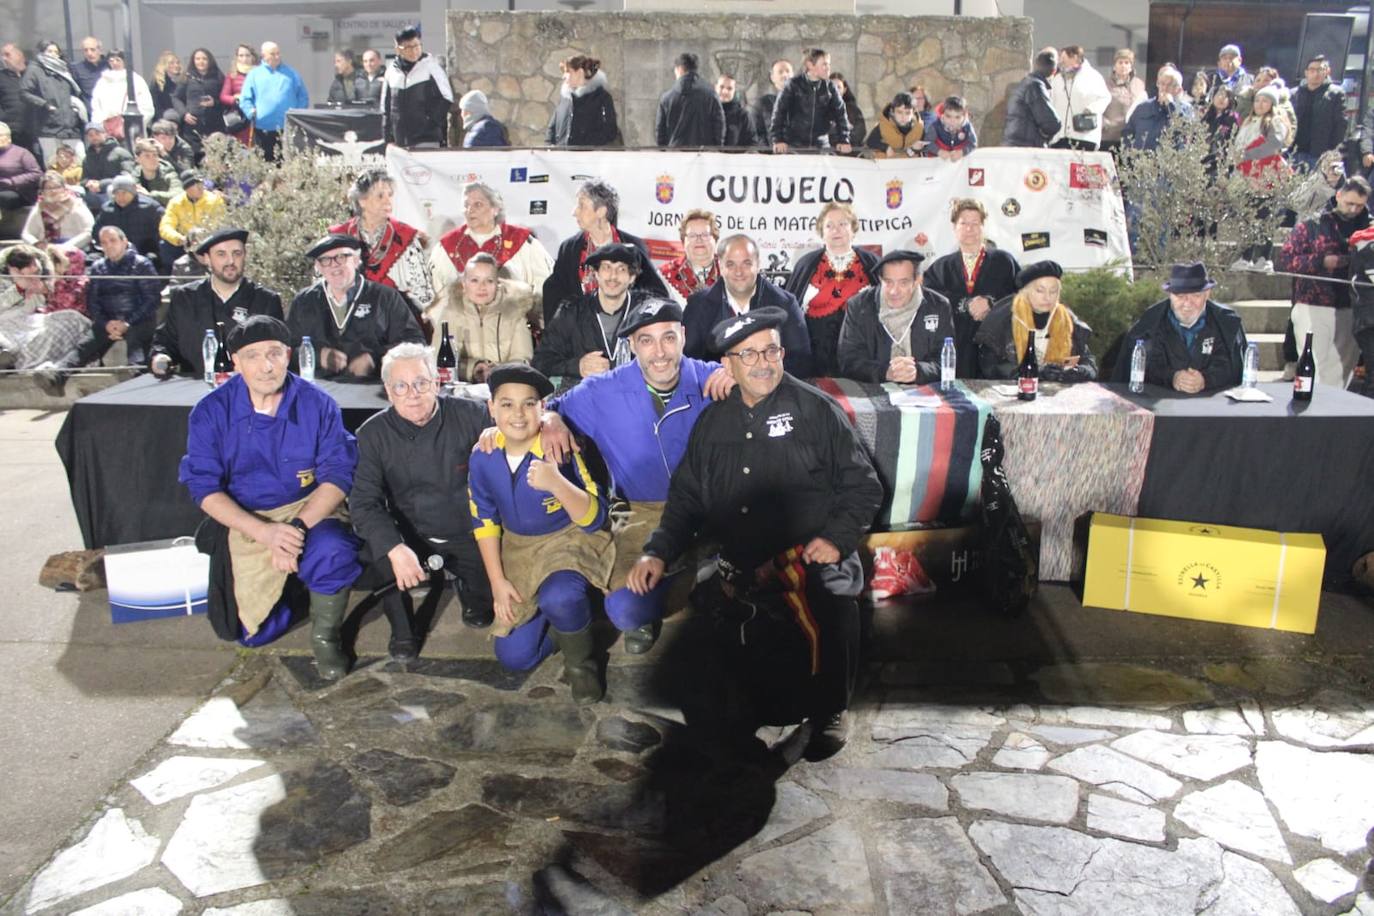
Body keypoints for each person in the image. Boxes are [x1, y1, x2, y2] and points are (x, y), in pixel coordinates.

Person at [630, 307, 883, 759]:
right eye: (748, 354)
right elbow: (685, 498)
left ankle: (828, 709)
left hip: (806, 556)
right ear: (728, 365)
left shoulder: (816, 410)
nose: (763, 362)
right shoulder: (712, 422)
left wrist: (837, 539)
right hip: (738, 562)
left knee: (835, 592)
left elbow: (863, 486)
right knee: (713, 671)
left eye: (771, 350)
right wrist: (656, 552)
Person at [536, 298, 736, 656]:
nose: (660, 353)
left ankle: (697, 574)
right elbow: (547, 407)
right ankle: (686, 584)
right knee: (624, 609)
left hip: (705, 510)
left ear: (684, 337)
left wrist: (739, 374)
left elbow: (772, 390)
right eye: (647, 340)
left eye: (668, 338)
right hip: (637, 512)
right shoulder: (603, 390)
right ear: (632, 346)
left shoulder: (709, 378)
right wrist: (551, 420)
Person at [179, 315, 363, 677]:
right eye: (253, 355)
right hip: (248, 517)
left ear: (289, 355)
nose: (266, 366)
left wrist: (292, 531)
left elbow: (338, 475)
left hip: (307, 509)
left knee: (333, 550)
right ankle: (296, 595)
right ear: (234, 361)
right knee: (248, 635)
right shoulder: (210, 411)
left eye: (275, 354)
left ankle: (326, 637)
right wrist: (266, 533)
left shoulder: (318, 405)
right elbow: (203, 487)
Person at [469, 363, 614, 702]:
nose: (518, 414)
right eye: (506, 404)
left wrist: (557, 483)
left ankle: (582, 665)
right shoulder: (483, 456)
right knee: (515, 656)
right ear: (491, 408)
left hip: (569, 540)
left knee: (559, 597)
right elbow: (483, 520)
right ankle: (570, 625)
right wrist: (497, 583)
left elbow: (594, 519)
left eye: (529, 403)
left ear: (543, 407)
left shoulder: (562, 449)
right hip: (520, 549)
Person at [352, 343, 497, 663]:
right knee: (381, 552)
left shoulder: (473, 415)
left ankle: (471, 592)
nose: (412, 393)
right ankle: (402, 630)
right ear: (389, 391)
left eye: (421, 383)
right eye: (401, 386)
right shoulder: (372, 434)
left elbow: (522, 423)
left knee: (486, 604)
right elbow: (363, 503)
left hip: (467, 527)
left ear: (436, 383)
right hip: (411, 530)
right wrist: (394, 547)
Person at [286, 234, 425, 380]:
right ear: (318, 267)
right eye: (325, 260)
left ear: (356, 260)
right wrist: (319, 355)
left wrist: (375, 358)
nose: (334, 265)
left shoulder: (385, 297)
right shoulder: (304, 301)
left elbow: (415, 342)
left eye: (341, 257)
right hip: (319, 389)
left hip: (373, 389)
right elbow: (285, 349)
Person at [150, 227, 284, 378]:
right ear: (206, 258)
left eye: (237, 253)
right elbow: (165, 342)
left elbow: (278, 352)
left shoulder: (265, 300)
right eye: (221, 254)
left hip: (249, 390)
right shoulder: (185, 298)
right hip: (194, 389)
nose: (230, 261)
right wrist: (160, 358)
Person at [1277, 177, 1371, 387]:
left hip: (1351, 308)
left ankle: (1333, 417)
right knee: (1314, 369)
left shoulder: (1369, 229)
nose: (1354, 209)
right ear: (1338, 195)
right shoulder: (1312, 226)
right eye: (1349, 203)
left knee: (1342, 372)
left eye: (1359, 205)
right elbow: (1283, 261)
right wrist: (1321, 261)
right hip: (1313, 305)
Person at [685, 233, 812, 376]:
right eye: (731, 264)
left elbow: (801, 362)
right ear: (720, 266)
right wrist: (722, 376)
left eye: (747, 263)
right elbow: (688, 362)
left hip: (770, 391)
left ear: (758, 264)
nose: (738, 272)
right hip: (715, 392)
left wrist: (756, 379)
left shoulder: (785, 304)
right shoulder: (697, 305)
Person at [542, 178, 666, 322]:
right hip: (581, 337)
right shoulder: (570, 248)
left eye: (582, 206)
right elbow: (554, 293)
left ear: (601, 211)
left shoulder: (633, 247)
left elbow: (657, 294)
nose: (574, 212)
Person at [1112, 262, 1247, 393]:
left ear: (1207, 294)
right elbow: (1143, 366)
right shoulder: (1149, 323)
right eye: (1180, 296)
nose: (1187, 303)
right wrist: (1173, 377)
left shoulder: (1226, 323)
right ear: (1170, 295)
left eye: (1196, 295)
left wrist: (1205, 379)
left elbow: (1230, 366)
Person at [922, 199, 1021, 378]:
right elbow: (928, 301)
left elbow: (1020, 297)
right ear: (954, 227)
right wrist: (965, 304)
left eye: (975, 223)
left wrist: (992, 304)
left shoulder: (1005, 262)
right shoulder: (940, 267)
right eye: (964, 223)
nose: (969, 229)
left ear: (983, 227)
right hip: (955, 350)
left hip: (996, 351)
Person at [534, 242, 654, 381]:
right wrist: (577, 366)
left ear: (632, 277)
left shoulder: (647, 313)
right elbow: (540, 362)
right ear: (596, 273)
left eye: (621, 269)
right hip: (584, 395)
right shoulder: (572, 312)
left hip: (633, 395)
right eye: (606, 268)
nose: (612, 276)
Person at [430, 181, 553, 317]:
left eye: (478, 204)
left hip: (512, 323)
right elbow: (435, 292)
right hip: (462, 328)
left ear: (495, 209)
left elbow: (544, 283)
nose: (470, 210)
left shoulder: (521, 241)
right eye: (466, 205)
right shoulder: (448, 245)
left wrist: (529, 313)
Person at [782, 202, 876, 377]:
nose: (836, 230)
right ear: (821, 232)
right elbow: (790, 315)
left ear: (853, 229)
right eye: (829, 225)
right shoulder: (806, 265)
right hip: (814, 360)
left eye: (843, 224)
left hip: (862, 356)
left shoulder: (872, 264)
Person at [329, 168, 434, 318]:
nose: (388, 201)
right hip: (347, 321)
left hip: (394, 322)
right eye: (380, 196)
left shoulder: (406, 237)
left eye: (390, 195)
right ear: (362, 200)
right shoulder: (339, 237)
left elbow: (424, 294)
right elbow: (325, 286)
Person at [836, 250, 954, 384]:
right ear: (880, 279)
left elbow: (946, 361)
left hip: (924, 391)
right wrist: (885, 372)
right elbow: (848, 361)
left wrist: (918, 371)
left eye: (903, 283)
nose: (894, 291)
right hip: (873, 390)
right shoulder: (858, 306)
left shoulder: (938, 306)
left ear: (917, 281)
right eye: (888, 282)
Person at [975, 261, 1097, 382]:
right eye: (1040, 291)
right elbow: (991, 368)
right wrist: (1035, 373)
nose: (1047, 297)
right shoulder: (1003, 319)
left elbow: (1089, 363)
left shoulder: (1068, 321)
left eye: (1053, 291)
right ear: (1025, 292)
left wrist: (1080, 372)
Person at [427, 252, 536, 382]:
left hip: (504, 386)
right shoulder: (451, 313)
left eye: (489, 281)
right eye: (475, 280)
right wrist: (473, 369)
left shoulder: (515, 312)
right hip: (461, 390)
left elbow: (523, 360)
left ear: (497, 284)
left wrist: (496, 371)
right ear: (464, 284)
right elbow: (437, 362)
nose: (482, 287)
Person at [0, 244, 92, 372]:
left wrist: (41, 292)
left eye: (36, 270)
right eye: (30, 270)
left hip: (29, 321)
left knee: (71, 319)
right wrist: (19, 288)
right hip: (6, 325)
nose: (35, 273)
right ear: (16, 269)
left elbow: (37, 306)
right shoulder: (3, 281)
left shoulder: (40, 278)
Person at [1232, 86, 1290, 272]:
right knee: (1248, 217)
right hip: (1248, 177)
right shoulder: (1248, 122)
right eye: (1257, 100)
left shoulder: (1274, 122)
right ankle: (1246, 256)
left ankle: (1264, 257)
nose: (1260, 104)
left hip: (1266, 176)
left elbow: (1274, 144)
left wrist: (1248, 154)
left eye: (1265, 101)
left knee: (1265, 218)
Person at [85, 225, 159, 364]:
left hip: (138, 321)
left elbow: (152, 300)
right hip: (108, 322)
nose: (109, 246)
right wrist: (106, 323)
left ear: (124, 242)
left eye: (113, 240)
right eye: (104, 243)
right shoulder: (97, 267)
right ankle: (53, 377)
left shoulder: (141, 264)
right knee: (83, 347)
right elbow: (92, 302)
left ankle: (138, 379)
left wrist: (127, 322)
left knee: (137, 355)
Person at [379, 25, 452, 148]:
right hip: (399, 141)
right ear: (398, 49)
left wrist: (430, 123)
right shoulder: (391, 71)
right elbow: (386, 108)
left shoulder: (431, 67)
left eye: (416, 46)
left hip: (426, 139)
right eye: (408, 47)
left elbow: (447, 98)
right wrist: (388, 138)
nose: (414, 51)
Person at [770, 48, 851, 154]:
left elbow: (840, 114)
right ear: (810, 65)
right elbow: (779, 113)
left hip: (821, 147)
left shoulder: (830, 87)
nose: (828, 68)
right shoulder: (793, 85)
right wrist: (778, 140)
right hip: (794, 147)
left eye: (829, 64)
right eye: (824, 64)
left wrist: (844, 140)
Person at [238, 42, 309, 161]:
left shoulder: (291, 73)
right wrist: (251, 112)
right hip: (263, 128)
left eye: (278, 53)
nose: (276, 57)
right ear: (263, 55)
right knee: (265, 164)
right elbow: (245, 99)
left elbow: (303, 96)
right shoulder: (254, 74)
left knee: (288, 163)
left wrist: (297, 114)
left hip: (287, 128)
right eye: (272, 54)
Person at [21, 42, 86, 164]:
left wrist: (75, 108)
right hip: (48, 126)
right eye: (49, 51)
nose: (53, 55)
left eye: (56, 52)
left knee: (79, 161)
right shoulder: (35, 70)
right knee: (53, 164)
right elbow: (24, 92)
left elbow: (73, 92)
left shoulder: (64, 70)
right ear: (42, 53)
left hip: (70, 126)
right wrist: (44, 104)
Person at [546, 55, 619, 148]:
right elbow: (551, 128)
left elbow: (610, 131)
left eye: (568, 72)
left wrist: (585, 145)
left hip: (589, 160)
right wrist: (549, 147)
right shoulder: (565, 98)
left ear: (579, 72)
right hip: (561, 159)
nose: (564, 76)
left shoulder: (602, 98)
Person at [1291, 55, 1348, 174]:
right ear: (1306, 73)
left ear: (1327, 71)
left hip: (1320, 153)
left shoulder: (1336, 94)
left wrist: (1332, 151)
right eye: (1312, 70)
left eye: (1320, 69)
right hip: (1295, 152)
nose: (1315, 73)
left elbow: (1340, 125)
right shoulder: (1295, 93)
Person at [655, 52, 725, 148]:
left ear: (679, 69)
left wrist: (665, 152)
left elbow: (660, 133)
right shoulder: (711, 96)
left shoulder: (666, 98)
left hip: (675, 156)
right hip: (704, 156)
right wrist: (716, 150)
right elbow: (719, 127)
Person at [1049, 45, 1111, 151]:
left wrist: (1091, 109)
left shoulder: (1093, 77)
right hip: (1060, 136)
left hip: (1084, 136)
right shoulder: (1058, 79)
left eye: (1064, 59)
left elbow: (1105, 98)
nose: (1060, 62)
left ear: (1075, 57)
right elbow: (1051, 101)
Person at [158, 171, 225, 266]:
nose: (200, 187)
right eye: (195, 184)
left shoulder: (215, 200)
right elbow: (165, 226)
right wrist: (180, 239)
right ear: (187, 188)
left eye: (201, 183)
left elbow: (219, 224)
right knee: (165, 246)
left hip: (208, 241)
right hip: (185, 242)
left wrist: (203, 238)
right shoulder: (176, 203)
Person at [93, 174, 163, 263]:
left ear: (133, 192)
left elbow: (160, 234)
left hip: (143, 253)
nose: (120, 197)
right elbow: (97, 232)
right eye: (117, 193)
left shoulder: (149, 207)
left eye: (124, 193)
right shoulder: (107, 210)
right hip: (113, 253)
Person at [1123, 65, 1193, 152]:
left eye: (1170, 85)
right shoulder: (1143, 107)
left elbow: (1186, 130)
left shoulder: (1186, 109)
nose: (1165, 88)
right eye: (1162, 84)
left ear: (1178, 89)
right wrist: (1130, 153)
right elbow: (1128, 132)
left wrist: (1170, 105)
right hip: (1142, 161)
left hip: (1169, 161)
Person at [89, 49, 153, 137]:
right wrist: (100, 125)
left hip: (132, 131)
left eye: (118, 60)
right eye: (111, 60)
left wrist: (132, 124)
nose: (114, 63)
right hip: (107, 130)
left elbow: (146, 106)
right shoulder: (102, 82)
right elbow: (96, 106)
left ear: (124, 61)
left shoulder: (135, 80)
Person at [660, 208, 719, 304]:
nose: (699, 240)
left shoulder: (731, 272)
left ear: (715, 238)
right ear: (683, 241)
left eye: (705, 235)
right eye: (692, 235)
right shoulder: (664, 275)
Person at [1004, 49, 1061, 148]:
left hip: (1015, 145)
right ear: (1054, 71)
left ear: (1035, 65)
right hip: (1027, 149)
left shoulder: (1025, 83)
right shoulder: (1036, 86)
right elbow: (1052, 124)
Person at [23, 170, 94, 249]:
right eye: (48, 188)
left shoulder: (76, 205)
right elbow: (27, 233)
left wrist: (65, 247)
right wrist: (36, 244)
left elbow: (88, 232)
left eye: (56, 187)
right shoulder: (39, 207)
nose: (53, 191)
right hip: (46, 248)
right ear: (42, 191)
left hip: (71, 248)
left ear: (64, 189)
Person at [173, 48, 226, 149]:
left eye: (204, 59)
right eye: (197, 59)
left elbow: (225, 100)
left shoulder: (218, 77)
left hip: (214, 125)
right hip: (192, 126)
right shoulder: (186, 77)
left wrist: (214, 102)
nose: (201, 62)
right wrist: (184, 114)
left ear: (209, 60)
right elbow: (176, 98)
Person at [78, 121, 134, 210]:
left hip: (115, 192)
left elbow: (127, 177)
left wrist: (101, 184)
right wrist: (89, 184)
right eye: (90, 135)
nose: (94, 137)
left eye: (97, 133)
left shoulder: (120, 152)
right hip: (93, 194)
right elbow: (84, 179)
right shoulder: (87, 158)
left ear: (105, 134)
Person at [1101, 49, 1147, 152]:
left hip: (1132, 137)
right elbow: (1098, 106)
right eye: (1120, 62)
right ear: (1114, 66)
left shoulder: (1139, 84)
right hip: (1110, 136)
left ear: (1131, 66)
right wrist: (1104, 122)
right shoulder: (1105, 84)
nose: (1123, 66)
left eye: (1127, 63)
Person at [0, 45, 38, 159]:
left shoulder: (34, 73)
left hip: (36, 131)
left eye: (7, 54)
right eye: (2, 55)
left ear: (19, 54)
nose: (4, 58)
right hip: (12, 132)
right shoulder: (1, 77)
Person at [865, 91, 925, 159]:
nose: (903, 117)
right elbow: (870, 141)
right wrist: (885, 147)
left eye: (907, 113)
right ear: (893, 111)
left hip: (909, 166)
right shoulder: (884, 125)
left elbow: (926, 147)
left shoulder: (919, 128)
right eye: (899, 112)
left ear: (913, 112)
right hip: (888, 165)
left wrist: (917, 148)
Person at [0, 120, 41, 213]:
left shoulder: (22, 153)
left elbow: (36, 173)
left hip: (19, 191)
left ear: (8, 137)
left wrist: (12, 181)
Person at [219, 44, 257, 146]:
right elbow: (223, 96)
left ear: (252, 57)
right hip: (240, 118)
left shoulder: (259, 73)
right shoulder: (232, 75)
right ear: (236, 58)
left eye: (247, 55)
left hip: (257, 116)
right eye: (241, 55)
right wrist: (235, 98)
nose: (244, 58)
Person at [750, 59, 792, 148]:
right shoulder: (762, 104)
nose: (785, 75)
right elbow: (757, 133)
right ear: (772, 77)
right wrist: (770, 152)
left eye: (788, 71)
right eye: (780, 72)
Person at [131, 137, 181, 208]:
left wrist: (151, 195)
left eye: (155, 155)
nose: (152, 159)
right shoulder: (136, 175)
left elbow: (178, 194)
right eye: (147, 156)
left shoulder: (168, 172)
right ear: (138, 159)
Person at [924, 96, 978, 160]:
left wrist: (962, 152)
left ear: (964, 116)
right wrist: (939, 151)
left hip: (959, 162)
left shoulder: (967, 127)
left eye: (957, 117)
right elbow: (927, 143)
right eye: (948, 116)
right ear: (943, 114)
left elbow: (973, 144)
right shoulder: (936, 126)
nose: (952, 121)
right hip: (937, 161)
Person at [716, 74, 756, 148]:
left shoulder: (743, 116)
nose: (725, 91)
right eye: (721, 87)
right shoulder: (706, 112)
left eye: (729, 88)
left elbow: (752, 143)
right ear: (716, 87)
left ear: (734, 91)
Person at [72, 37, 107, 107]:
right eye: (86, 50)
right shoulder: (77, 68)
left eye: (92, 49)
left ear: (100, 50)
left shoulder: (109, 66)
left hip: (111, 111)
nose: (89, 53)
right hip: (90, 112)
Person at [150, 51, 183, 122]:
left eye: (177, 63)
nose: (176, 65)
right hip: (164, 120)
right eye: (172, 63)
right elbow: (156, 105)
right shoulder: (158, 83)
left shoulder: (180, 82)